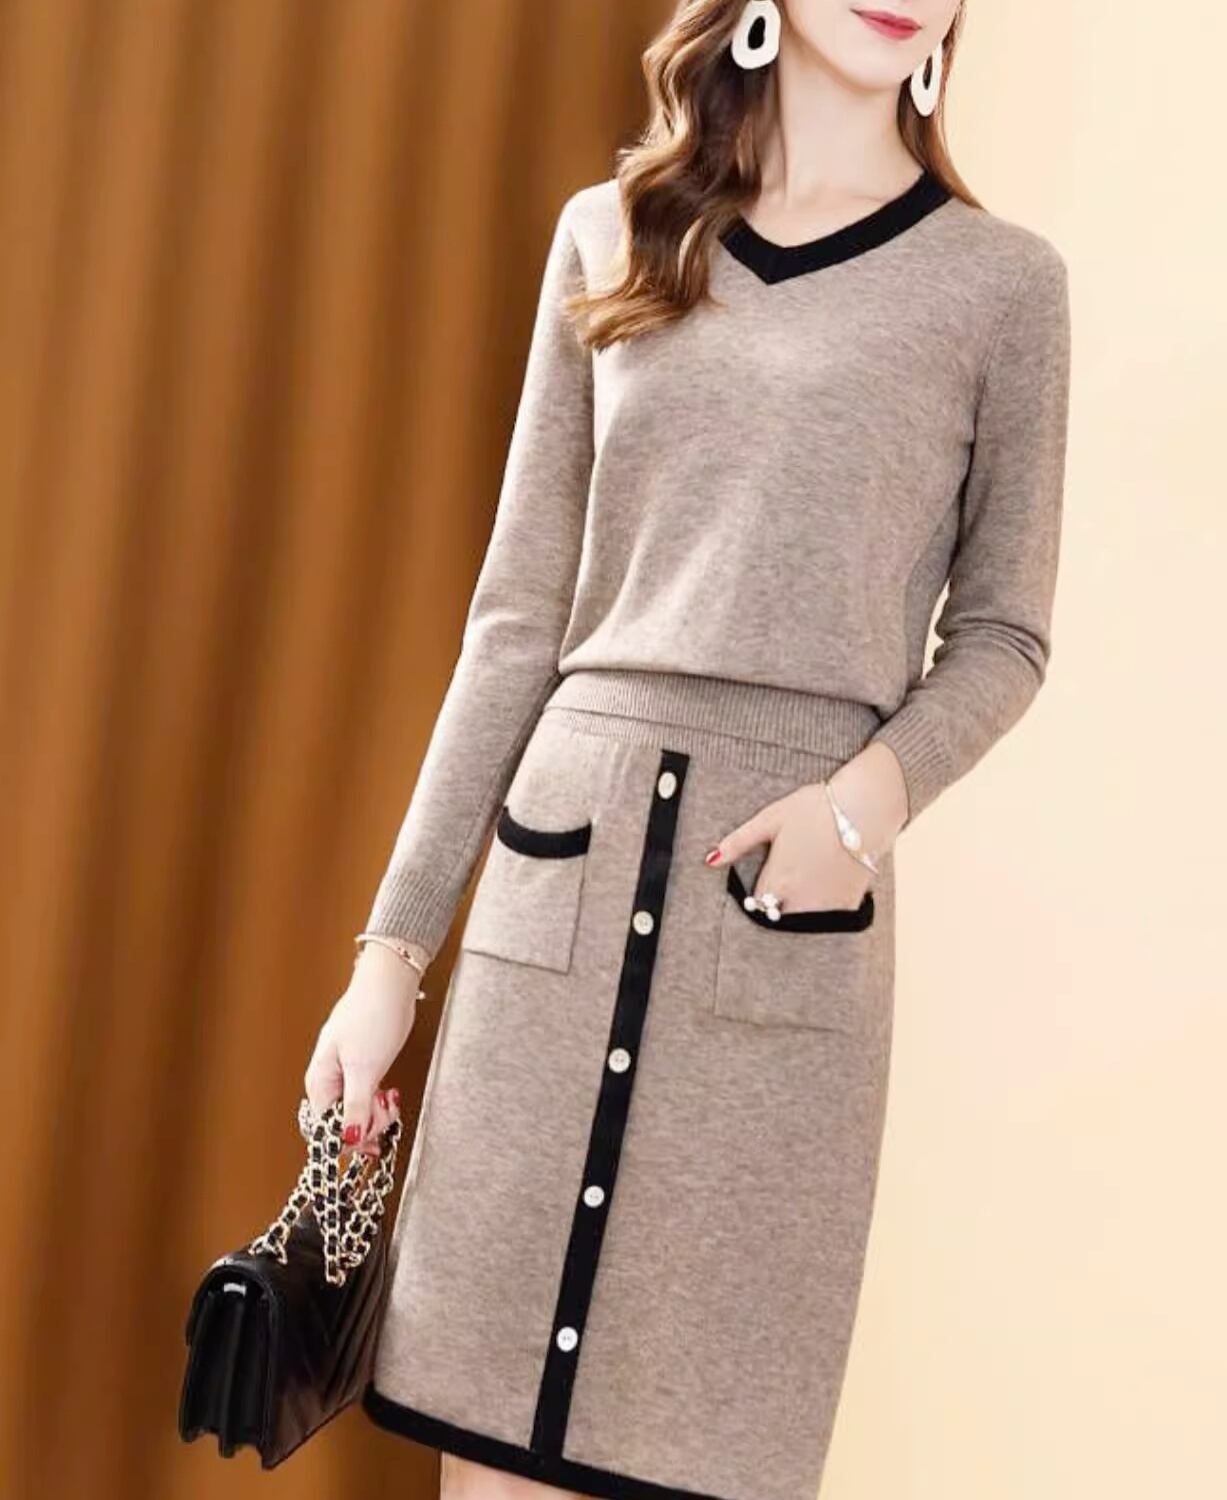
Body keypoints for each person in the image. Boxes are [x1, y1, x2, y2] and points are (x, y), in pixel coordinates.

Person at [302, 2, 1071, 1496]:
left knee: (699, 1439)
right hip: (555, 901)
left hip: (779, 930)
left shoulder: (1002, 288)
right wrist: (390, 960)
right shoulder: (609, 235)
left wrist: (857, 810)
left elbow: (1005, 635)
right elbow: (516, 625)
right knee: (490, 1454)